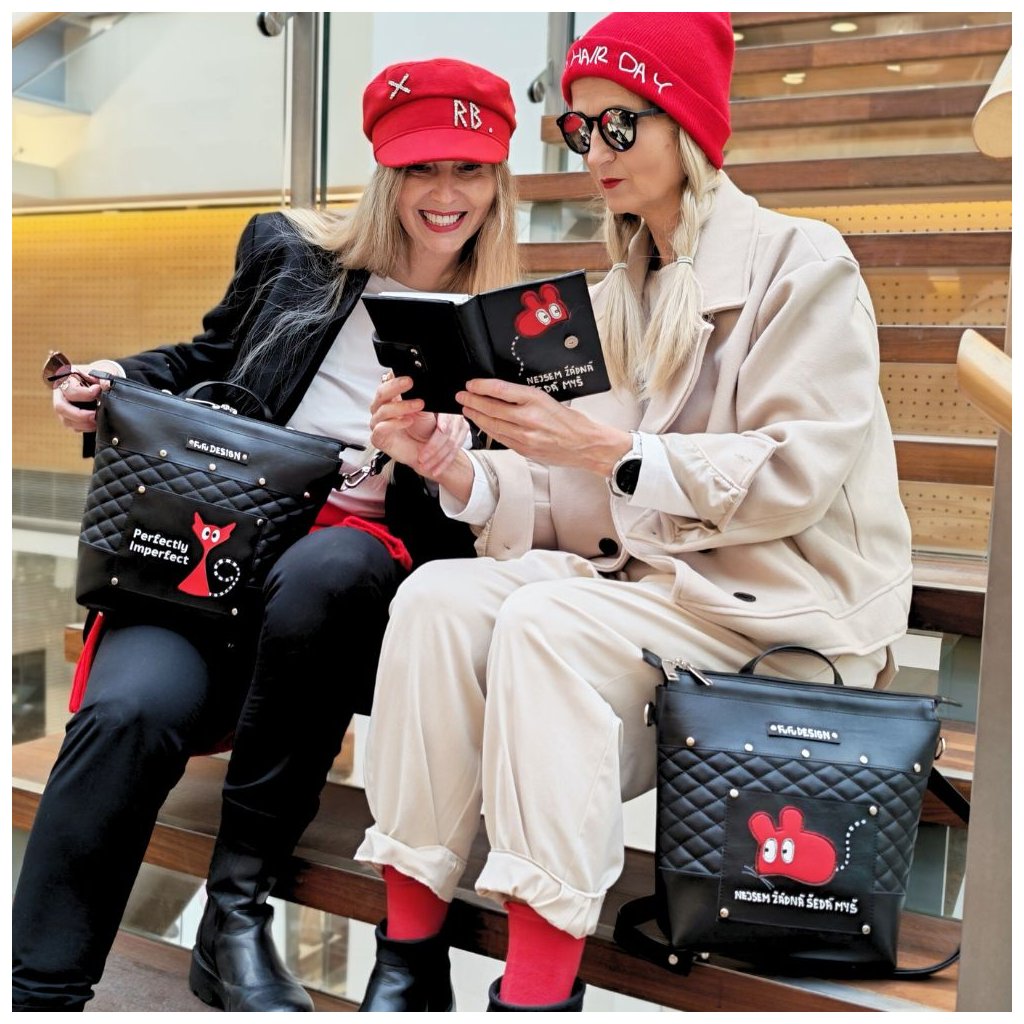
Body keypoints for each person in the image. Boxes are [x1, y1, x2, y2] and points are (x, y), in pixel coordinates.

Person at [353, 12, 913, 1013]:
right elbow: (587, 503)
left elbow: (794, 474)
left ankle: (537, 992)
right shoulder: (616, 296)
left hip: (774, 618)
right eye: (580, 129)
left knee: (544, 621)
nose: (595, 151)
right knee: (437, 598)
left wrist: (606, 450)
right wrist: (454, 467)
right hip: (650, 601)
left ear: (688, 127)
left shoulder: (802, 265)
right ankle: (409, 955)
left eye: (620, 123)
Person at [12, 57, 520, 1012]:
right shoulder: (293, 257)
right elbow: (210, 357)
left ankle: (233, 917)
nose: (444, 193)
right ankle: (37, 992)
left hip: (346, 598)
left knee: (335, 563)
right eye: (420, 168)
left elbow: (495, 516)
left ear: (499, 181)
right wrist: (117, 377)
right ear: (385, 174)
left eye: (468, 169)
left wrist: (442, 460)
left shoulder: (507, 330)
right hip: (216, 543)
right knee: (128, 713)